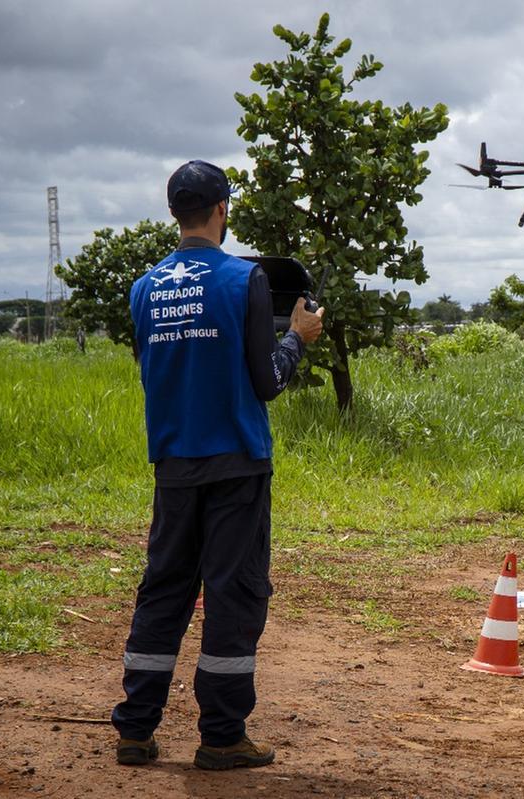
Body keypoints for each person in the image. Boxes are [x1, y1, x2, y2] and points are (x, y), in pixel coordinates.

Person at [112, 159, 324, 770]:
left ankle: (135, 730)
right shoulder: (244, 280)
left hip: (173, 464)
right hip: (236, 464)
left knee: (163, 593)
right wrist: (296, 338)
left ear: (175, 212)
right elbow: (267, 382)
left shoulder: (145, 288)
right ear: (223, 210)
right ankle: (223, 736)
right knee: (233, 595)